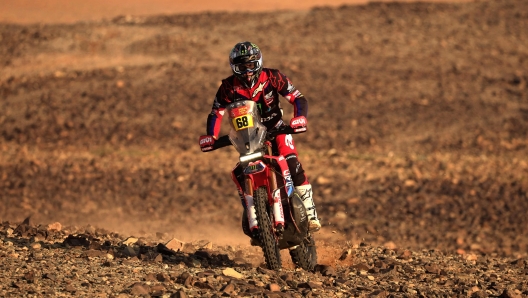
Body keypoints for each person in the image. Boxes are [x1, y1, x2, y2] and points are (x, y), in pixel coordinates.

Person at [198, 41, 321, 234]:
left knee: (292, 163)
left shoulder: (273, 77)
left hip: (276, 129)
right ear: (234, 68)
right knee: (240, 171)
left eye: (251, 65)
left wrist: (299, 118)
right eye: (241, 67)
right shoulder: (227, 87)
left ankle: (310, 213)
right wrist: (211, 136)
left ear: (259, 63)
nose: (247, 72)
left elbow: (298, 98)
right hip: (248, 137)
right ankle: (254, 215)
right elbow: (216, 112)